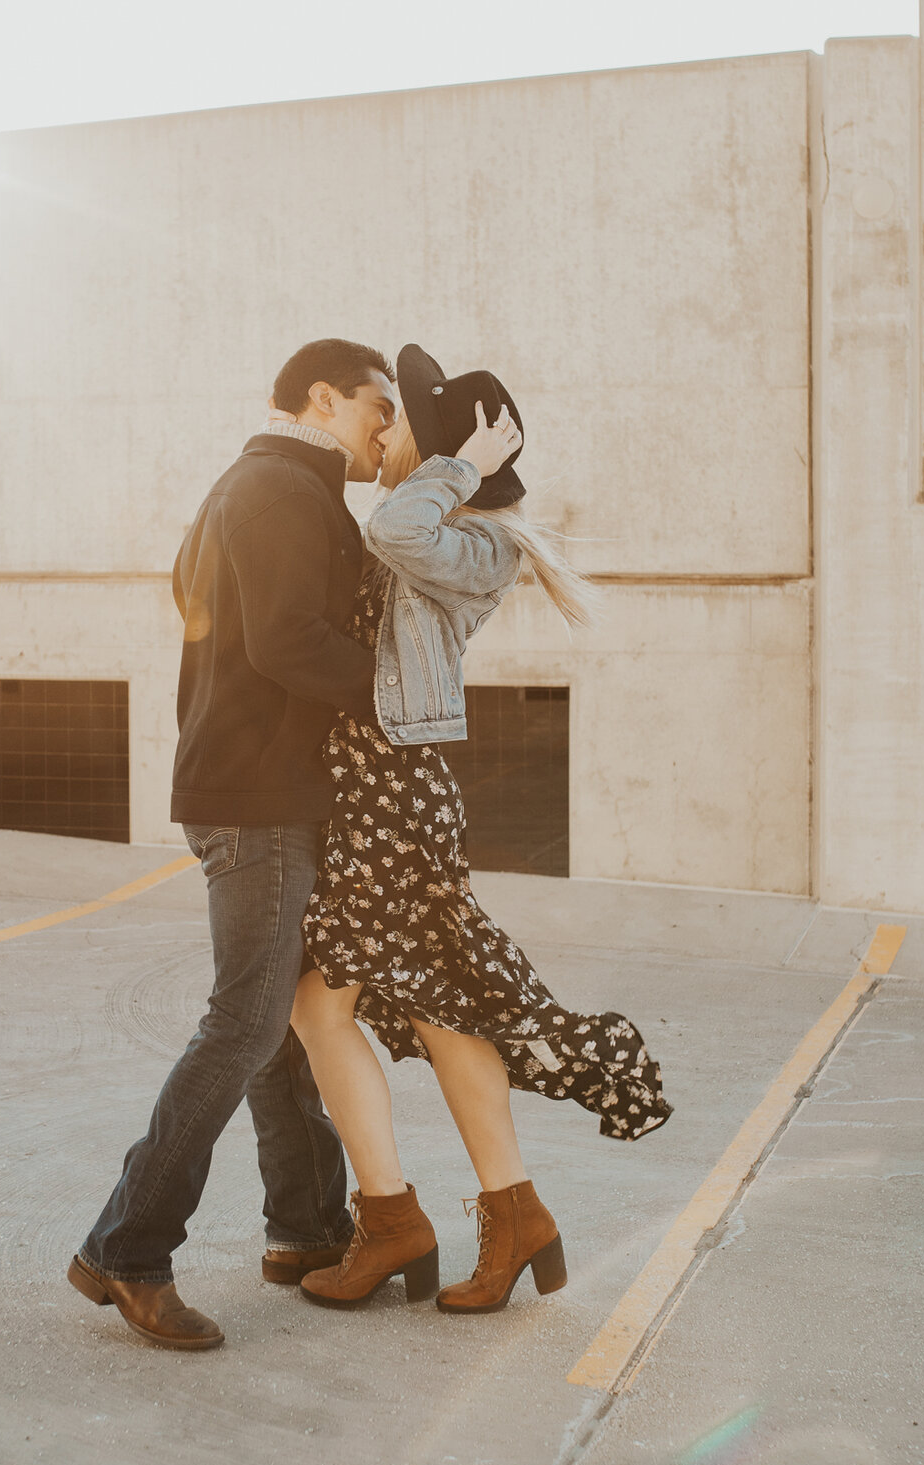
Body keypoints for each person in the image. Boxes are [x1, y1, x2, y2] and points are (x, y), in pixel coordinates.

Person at [290, 344, 673, 1316]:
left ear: (443, 447)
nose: (385, 430)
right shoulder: (442, 521)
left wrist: (453, 462)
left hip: (395, 799)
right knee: (421, 1005)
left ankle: (412, 1220)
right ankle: (493, 1215)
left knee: (348, 1009)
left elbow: (395, 531)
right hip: (366, 792)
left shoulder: (472, 540)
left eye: (401, 418)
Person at [68, 338, 400, 1350]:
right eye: (377, 409)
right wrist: (403, 691)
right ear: (322, 397)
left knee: (283, 1019)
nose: (385, 430)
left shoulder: (272, 490)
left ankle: (303, 1229)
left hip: (259, 785)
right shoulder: (275, 491)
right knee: (247, 1022)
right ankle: (126, 1249)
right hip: (256, 796)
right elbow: (286, 640)